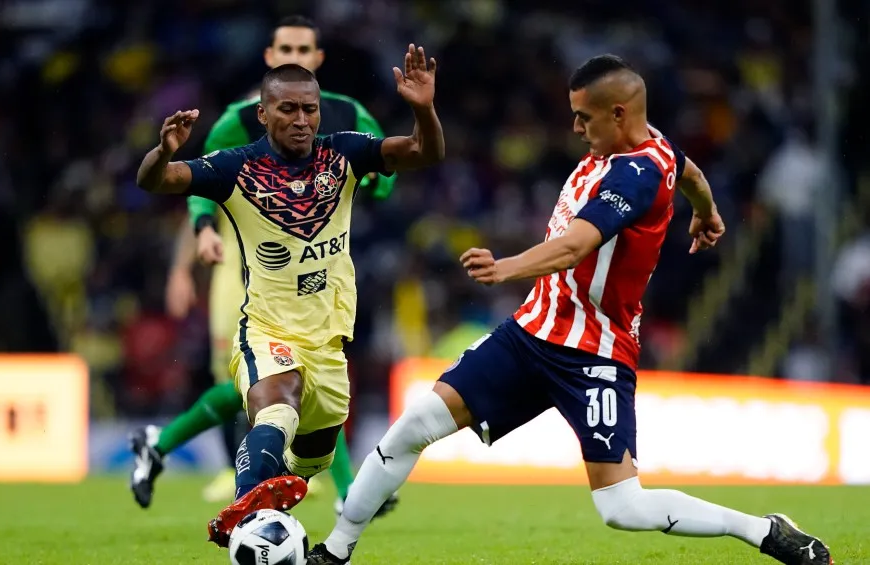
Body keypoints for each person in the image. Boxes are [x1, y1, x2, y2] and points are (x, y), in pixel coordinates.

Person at [306, 55, 832, 565]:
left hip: (594, 355)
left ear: (619, 114)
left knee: (622, 508)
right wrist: (706, 211)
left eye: (584, 117)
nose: (576, 128)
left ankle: (764, 530)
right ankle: (335, 550)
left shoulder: (636, 175)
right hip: (531, 333)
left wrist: (504, 268)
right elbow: (688, 170)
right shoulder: (654, 146)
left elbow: (576, 246)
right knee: (415, 423)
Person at [135, 44, 443, 548]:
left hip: (328, 341)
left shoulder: (345, 153)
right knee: (277, 408)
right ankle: (245, 516)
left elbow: (424, 152)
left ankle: (266, 500)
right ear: (263, 114)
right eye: (288, 109)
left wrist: (424, 109)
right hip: (267, 329)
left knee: (311, 461)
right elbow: (157, 181)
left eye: (309, 109)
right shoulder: (235, 168)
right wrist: (164, 151)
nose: (301, 120)